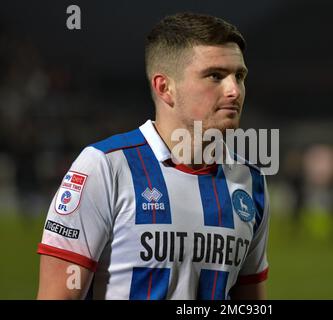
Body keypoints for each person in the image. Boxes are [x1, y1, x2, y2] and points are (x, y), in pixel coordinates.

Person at [36, 12, 270, 300]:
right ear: (164, 88)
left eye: (239, 76)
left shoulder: (250, 180)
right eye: (215, 75)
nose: (234, 90)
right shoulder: (105, 167)